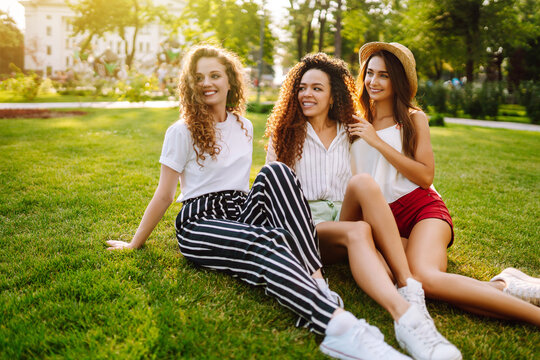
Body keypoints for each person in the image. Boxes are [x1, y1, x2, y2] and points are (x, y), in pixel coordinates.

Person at [106, 44, 411, 360]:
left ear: (230, 82)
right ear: (190, 84)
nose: (207, 83)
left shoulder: (243, 125)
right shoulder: (180, 131)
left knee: (278, 172)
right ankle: (339, 328)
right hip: (200, 219)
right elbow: (165, 194)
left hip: (241, 208)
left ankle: (317, 282)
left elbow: (251, 184)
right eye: (199, 77)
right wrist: (134, 243)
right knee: (266, 241)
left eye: (215, 75)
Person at [266, 52, 462, 360]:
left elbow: (394, 167)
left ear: (333, 96)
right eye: (302, 88)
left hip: (348, 217)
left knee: (366, 198)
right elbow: (275, 195)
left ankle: (414, 285)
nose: (307, 94)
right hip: (309, 228)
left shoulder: (352, 132)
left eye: (317, 88)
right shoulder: (285, 136)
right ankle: (406, 316)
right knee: (359, 232)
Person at [349, 41, 540, 327]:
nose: (374, 81)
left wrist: (377, 141)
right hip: (382, 218)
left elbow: (425, 176)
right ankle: (504, 285)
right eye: (370, 73)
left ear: (399, 80)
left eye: (385, 75)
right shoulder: (355, 120)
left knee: (425, 277)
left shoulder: (414, 119)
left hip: (421, 209)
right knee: (419, 285)